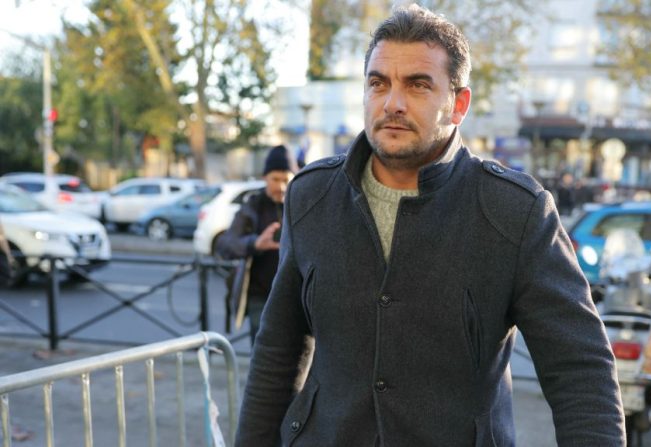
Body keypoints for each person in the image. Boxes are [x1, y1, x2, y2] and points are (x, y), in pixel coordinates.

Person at [235, 5, 624, 446]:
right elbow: (278, 351)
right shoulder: (310, 195)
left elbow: (579, 369)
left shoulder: (515, 211)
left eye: (418, 85)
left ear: (458, 104)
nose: (393, 103)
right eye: (378, 83)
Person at [216, 145, 296, 345]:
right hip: (260, 297)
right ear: (264, 178)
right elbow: (226, 245)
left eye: (286, 179)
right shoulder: (253, 205)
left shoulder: (301, 203)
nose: (281, 187)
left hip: (295, 297)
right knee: (263, 357)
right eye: (275, 180)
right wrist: (255, 244)